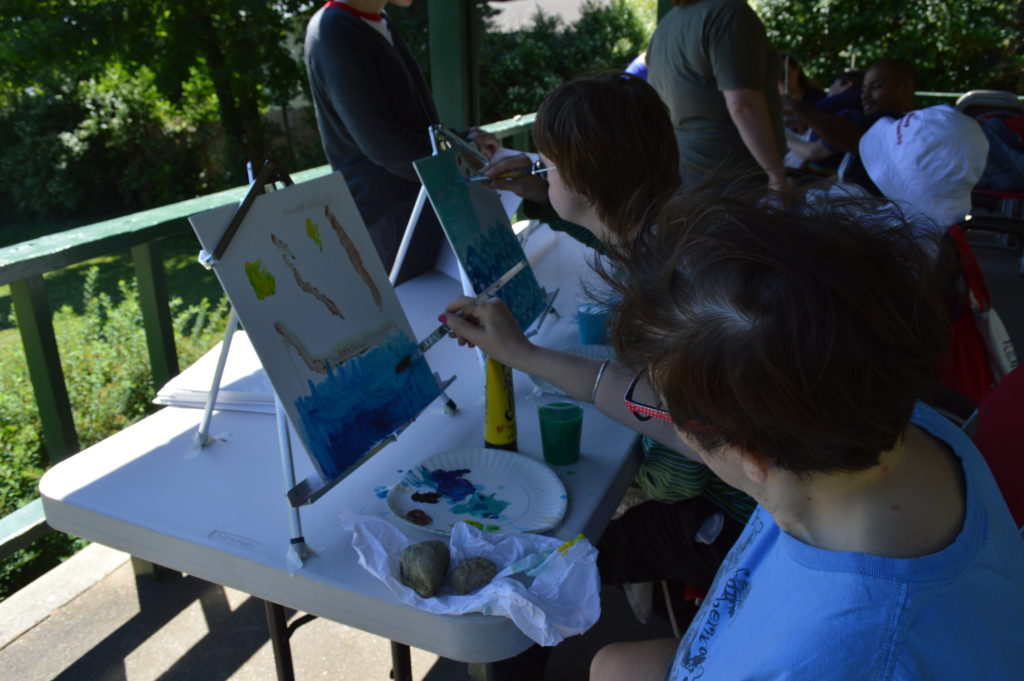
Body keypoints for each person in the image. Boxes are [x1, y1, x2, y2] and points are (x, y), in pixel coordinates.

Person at [441, 187, 1024, 681]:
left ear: (750, 453)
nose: (659, 412)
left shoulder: (849, 659)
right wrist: (524, 354)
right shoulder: (878, 415)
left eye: (673, 410)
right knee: (613, 665)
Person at [304, 0, 497, 283]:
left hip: (419, 209)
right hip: (392, 223)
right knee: (427, 306)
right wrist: (465, 155)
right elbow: (387, 146)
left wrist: (461, 139)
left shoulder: (376, 20)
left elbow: (412, 124)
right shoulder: (335, 29)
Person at [645, 0, 787, 191]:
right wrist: (777, 178)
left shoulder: (666, 25)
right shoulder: (729, 13)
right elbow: (743, 105)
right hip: (734, 179)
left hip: (686, 174)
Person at [785, 58, 915, 193]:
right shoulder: (869, 121)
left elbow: (849, 140)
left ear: (904, 89)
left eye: (876, 87)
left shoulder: (891, 125)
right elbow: (843, 175)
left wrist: (795, 107)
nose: (865, 95)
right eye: (864, 89)